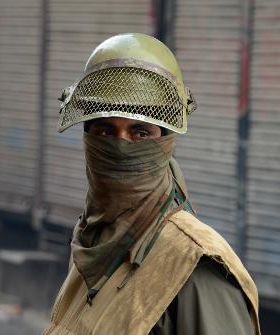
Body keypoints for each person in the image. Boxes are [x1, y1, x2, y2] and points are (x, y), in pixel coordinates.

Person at [43, 33, 261, 335]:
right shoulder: (93, 239)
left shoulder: (195, 267)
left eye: (140, 133)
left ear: (165, 141)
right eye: (106, 131)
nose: (121, 147)